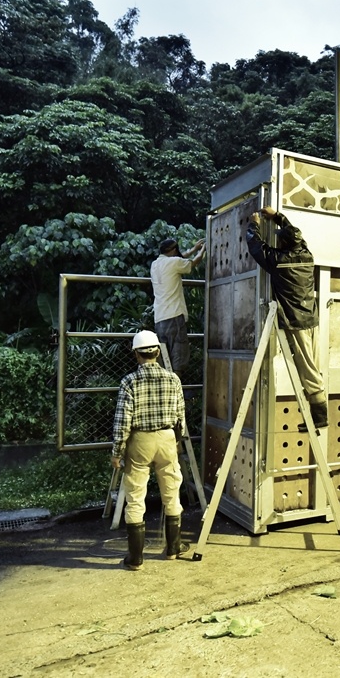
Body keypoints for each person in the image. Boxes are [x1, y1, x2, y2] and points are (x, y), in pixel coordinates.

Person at [246, 206, 328, 432]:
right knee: (313, 364)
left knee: (308, 368)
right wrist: (278, 217)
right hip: (311, 318)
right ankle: (316, 412)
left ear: (283, 244)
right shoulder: (306, 255)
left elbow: (256, 247)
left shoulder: (280, 261)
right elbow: (296, 235)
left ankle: (320, 414)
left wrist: (254, 224)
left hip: (296, 321)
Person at [111, 330, 187, 570]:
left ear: (136, 354)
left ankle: (136, 559)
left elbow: (123, 421)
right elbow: (180, 416)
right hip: (166, 438)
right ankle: (173, 549)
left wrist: (117, 452)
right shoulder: (173, 379)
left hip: (140, 441)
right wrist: (177, 440)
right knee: (171, 492)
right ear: (157, 353)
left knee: (135, 497)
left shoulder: (129, 382)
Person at [150, 237, 206, 376]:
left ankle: (165, 387)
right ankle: (175, 388)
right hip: (173, 315)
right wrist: (203, 250)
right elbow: (192, 263)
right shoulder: (174, 262)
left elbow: (179, 259)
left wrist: (193, 249)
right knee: (178, 357)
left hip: (159, 317)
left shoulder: (155, 264)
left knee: (165, 357)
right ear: (174, 250)